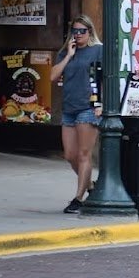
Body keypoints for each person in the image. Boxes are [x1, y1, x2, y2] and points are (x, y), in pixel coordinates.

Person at [50, 15, 103, 213]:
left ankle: (79, 198)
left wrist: (101, 104)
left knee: (83, 154)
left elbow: (104, 77)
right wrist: (69, 55)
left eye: (82, 31)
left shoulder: (98, 50)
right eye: (75, 31)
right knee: (69, 154)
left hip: (88, 107)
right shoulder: (65, 52)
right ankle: (89, 185)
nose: (78, 35)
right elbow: (53, 76)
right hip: (69, 108)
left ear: (90, 32)